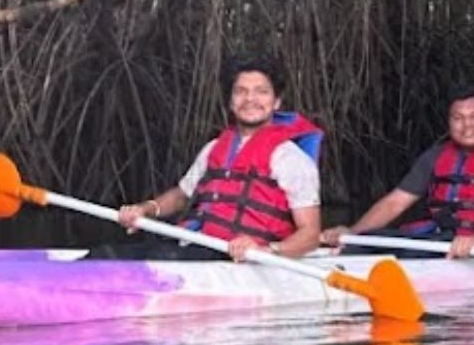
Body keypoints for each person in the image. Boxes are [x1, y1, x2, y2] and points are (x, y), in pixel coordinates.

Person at [114, 56, 323, 261]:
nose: (250, 99)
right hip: (195, 247)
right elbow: (181, 196)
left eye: (261, 92)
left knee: (152, 256)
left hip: (240, 259)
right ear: (231, 102)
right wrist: (145, 209)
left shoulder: (291, 159)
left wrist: (268, 250)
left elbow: (310, 235)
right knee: (107, 253)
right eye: (241, 91)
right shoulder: (214, 149)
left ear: (276, 102)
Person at [320, 85, 474, 257]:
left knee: (413, 252)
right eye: (458, 118)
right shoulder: (436, 156)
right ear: (449, 122)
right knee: (365, 244)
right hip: (440, 239)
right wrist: (353, 233)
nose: (466, 125)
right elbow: (396, 202)